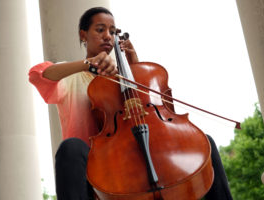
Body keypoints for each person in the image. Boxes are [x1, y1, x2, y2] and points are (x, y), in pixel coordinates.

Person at [29, 7, 232, 200]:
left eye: (112, 31)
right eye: (100, 30)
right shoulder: (71, 76)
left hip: (135, 156)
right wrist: (87, 64)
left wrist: (135, 67)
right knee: (70, 148)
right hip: (98, 165)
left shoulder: (124, 76)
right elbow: (37, 74)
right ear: (83, 35)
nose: (108, 35)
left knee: (206, 142)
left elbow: (163, 113)